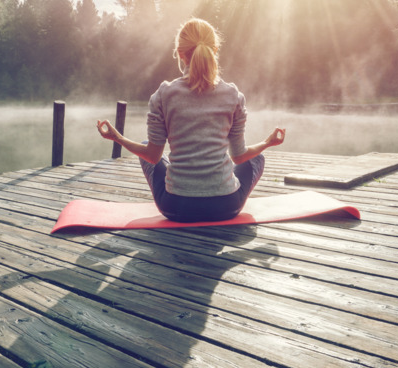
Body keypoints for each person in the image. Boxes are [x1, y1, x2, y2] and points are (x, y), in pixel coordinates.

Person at [96, 17, 285, 222]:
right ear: (215, 50)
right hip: (227, 206)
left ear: (180, 54)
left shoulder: (163, 95)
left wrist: (118, 138)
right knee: (256, 158)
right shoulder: (233, 96)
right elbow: (239, 157)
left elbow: (152, 155)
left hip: (175, 208)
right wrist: (268, 143)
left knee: (147, 148)